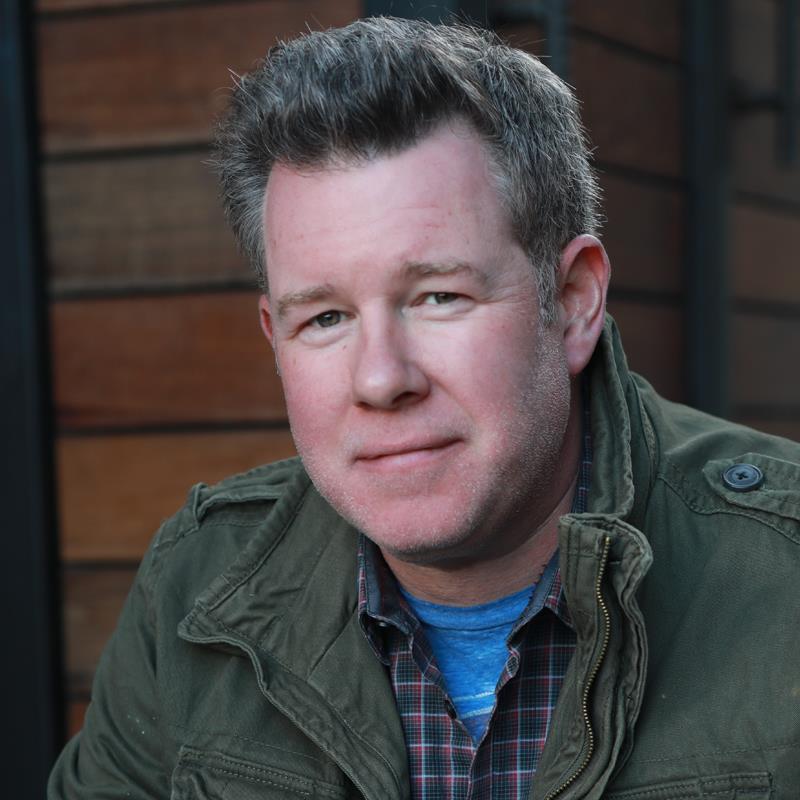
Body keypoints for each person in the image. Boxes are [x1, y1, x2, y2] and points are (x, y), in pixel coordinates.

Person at [49, 17, 800, 800]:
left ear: (574, 301)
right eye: (326, 317)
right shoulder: (195, 581)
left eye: (439, 296)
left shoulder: (785, 574)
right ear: (276, 337)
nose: (381, 379)